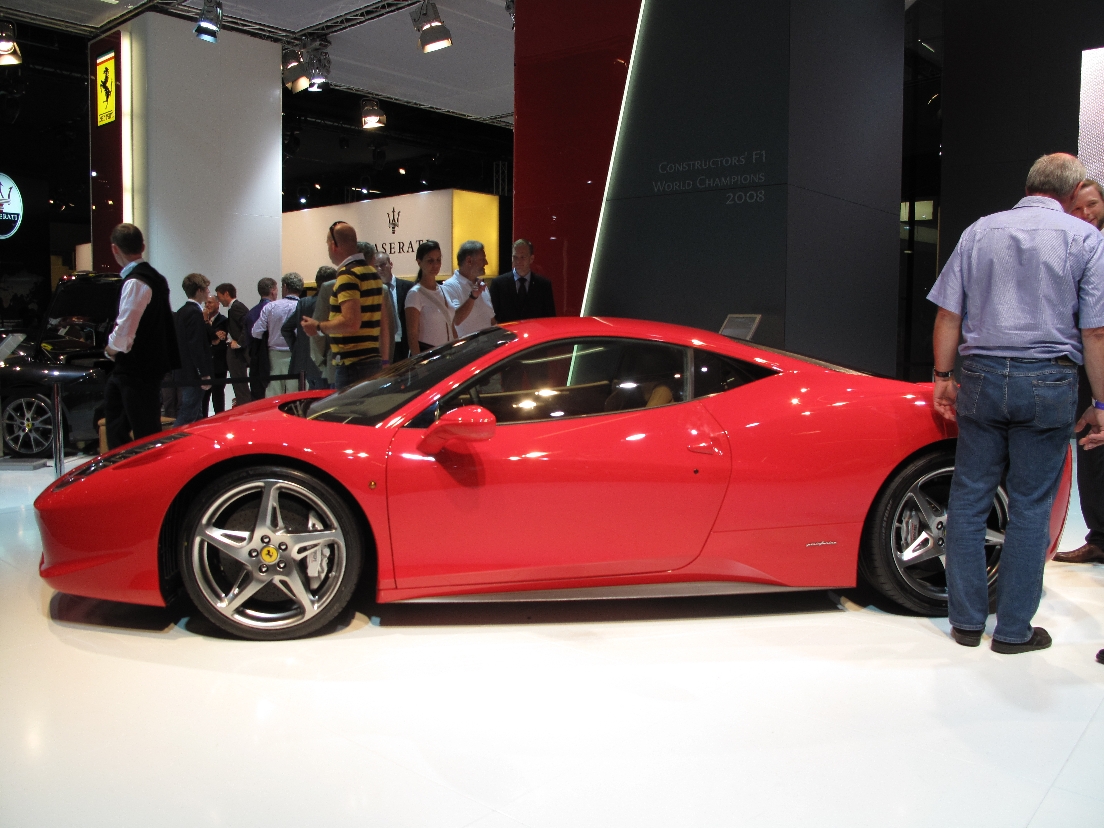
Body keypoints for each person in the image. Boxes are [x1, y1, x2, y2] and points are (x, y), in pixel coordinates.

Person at [928, 152, 1104, 655]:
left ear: (1029, 187)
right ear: (1071, 196)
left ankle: (965, 623)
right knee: (1030, 506)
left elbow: (948, 314)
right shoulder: (1086, 238)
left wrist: (942, 376)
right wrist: (1102, 402)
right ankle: (1012, 631)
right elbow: (1095, 330)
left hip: (980, 377)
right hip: (1049, 381)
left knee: (969, 498)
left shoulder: (979, 231)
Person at [1055, 179, 1104, 567]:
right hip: (1086, 361)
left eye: (1092, 204)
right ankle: (1099, 537)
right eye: (1077, 207)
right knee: (1091, 447)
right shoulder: (1068, 249)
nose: (1086, 213)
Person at [102, 223, 180, 449]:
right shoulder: (155, 278)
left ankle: (137, 467)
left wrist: (110, 349)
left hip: (135, 370)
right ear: (142, 246)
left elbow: (125, 329)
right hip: (145, 369)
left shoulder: (136, 282)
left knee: (141, 431)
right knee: (128, 426)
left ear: (115, 249)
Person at [300, 222, 389, 390]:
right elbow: (384, 325)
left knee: (349, 407)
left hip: (351, 365)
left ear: (334, 245)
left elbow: (351, 321)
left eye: (327, 244)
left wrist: (318, 327)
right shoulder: (372, 274)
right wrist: (384, 360)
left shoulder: (348, 275)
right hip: (371, 360)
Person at [172, 273, 213, 427]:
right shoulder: (194, 313)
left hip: (184, 371)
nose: (208, 291)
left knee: (196, 414)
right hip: (193, 373)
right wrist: (203, 373)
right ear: (199, 290)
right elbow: (196, 345)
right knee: (188, 414)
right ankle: (172, 440)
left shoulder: (182, 311)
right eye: (206, 288)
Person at [252, 272, 302, 395]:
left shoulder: (271, 307)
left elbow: (256, 332)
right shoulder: (303, 306)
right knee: (295, 394)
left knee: (273, 394)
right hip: (297, 355)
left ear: (285, 287)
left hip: (274, 356)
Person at [404, 240, 454, 356]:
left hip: (448, 353)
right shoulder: (415, 294)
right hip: (428, 354)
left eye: (438, 260)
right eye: (430, 261)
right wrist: (419, 361)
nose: (435, 265)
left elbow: (452, 325)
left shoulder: (444, 290)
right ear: (419, 262)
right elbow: (412, 335)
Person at [489, 239, 557, 322]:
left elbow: (550, 318)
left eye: (523, 257)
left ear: (531, 258)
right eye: (515, 257)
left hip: (535, 330)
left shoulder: (543, 285)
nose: (518, 261)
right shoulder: (498, 284)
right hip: (507, 330)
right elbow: (491, 316)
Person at [441, 240, 495, 338]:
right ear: (469, 260)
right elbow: (456, 320)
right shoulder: (449, 286)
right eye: (482, 259)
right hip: (467, 347)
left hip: (488, 345)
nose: (486, 263)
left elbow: (491, 320)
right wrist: (472, 297)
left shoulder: (482, 285)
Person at [280, 284, 324, 391]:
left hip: (306, 362)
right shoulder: (329, 302)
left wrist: (297, 347)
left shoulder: (304, 302)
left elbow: (286, 328)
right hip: (325, 364)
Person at [215, 282, 251, 406]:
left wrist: (240, 343)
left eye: (219, 296)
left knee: (240, 383)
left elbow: (247, 325)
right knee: (238, 383)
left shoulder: (236, 307)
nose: (219, 300)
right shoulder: (234, 308)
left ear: (226, 293)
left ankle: (245, 407)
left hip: (239, 352)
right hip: (237, 351)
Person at [377, 251, 412, 362]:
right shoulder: (374, 292)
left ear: (390, 264)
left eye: (382, 264)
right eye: (376, 266)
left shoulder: (408, 287)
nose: (379, 269)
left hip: (405, 343)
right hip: (384, 345)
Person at [246, 277, 277, 400]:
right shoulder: (275, 310)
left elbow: (249, 339)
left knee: (258, 398)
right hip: (273, 358)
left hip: (255, 360)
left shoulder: (251, 313)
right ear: (272, 291)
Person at [203, 293, 229, 414]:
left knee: (218, 396)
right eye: (206, 303)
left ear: (218, 304)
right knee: (204, 397)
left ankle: (220, 419)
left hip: (218, 364)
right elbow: (211, 338)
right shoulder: (200, 321)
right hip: (205, 365)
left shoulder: (223, 321)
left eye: (210, 302)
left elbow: (216, 340)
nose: (207, 305)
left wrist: (207, 323)